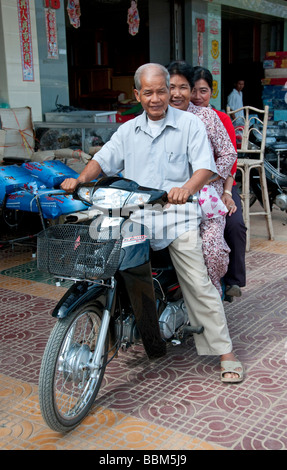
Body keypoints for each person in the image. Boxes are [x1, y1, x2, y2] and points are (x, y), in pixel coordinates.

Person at [61, 63, 244, 383]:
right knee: (97, 251)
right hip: (134, 215)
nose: (157, 98)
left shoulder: (190, 124)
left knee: (198, 282)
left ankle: (225, 351)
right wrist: (79, 179)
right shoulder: (128, 130)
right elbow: (102, 160)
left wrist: (186, 188)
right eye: (149, 92)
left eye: (162, 91)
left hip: (176, 217)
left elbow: (205, 167)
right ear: (137, 94)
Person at [167, 60, 238, 297]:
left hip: (207, 197)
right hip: (170, 199)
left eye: (183, 87)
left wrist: (206, 178)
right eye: (171, 87)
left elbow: (229, 153)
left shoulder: (207, 116)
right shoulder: (157, 117)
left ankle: (214, 297)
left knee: (213, 249)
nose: (177, 94)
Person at [187, 65, 247, 299]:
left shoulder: (219, 118)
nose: (197, 97)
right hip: (190, 188)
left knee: (234, 224)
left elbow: (230, 158)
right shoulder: (181, 116)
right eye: (193, 90)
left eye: (203, 91)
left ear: (211, 92)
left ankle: (232, 280)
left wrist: (227, 192)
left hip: (221, 184)